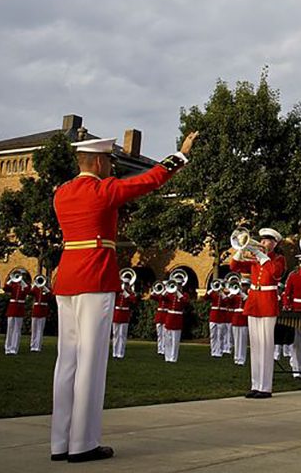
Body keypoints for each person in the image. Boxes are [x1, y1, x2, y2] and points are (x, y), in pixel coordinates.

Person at [48, 132, 196, 464]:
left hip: (67, 277)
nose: (112, 168)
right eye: (110, 162)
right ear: (99, 162)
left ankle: (59, 441)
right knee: (91, 360)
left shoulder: (61, 193)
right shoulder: (103, 190)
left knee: (67, 360)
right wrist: (181, 155)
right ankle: (83, 442)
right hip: (95, 276)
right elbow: (151, 179)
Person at [230, 227, 286, 398]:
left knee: (266, 345)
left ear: (274, 243)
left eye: (266, 240)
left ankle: (265, 387)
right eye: (261, 240)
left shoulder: (278, 259)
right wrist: (240, 249)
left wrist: (261, 256)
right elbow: (234, 266)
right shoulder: (255, 259)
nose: (262, 243)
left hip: (267, 301)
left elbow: (275, 274)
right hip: (254, 301)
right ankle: (255, 384)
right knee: (255, 345)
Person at [162, 282, 191, 363]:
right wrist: (166, 289)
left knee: (175, 340)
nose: (177, 286)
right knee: (168, 339)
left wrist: (178, 293)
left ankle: (173, 358)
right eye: (176, 285)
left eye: (179, 285)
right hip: (169, 317)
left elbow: (185, 302)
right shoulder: (170, 294)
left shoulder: (184, 295)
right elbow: (162, 298)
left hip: (177, 318)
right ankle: (167, 357)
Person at [4, 270, 31, 355]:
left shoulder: (25, 285)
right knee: (10, 329)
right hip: (12, 307)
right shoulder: (13, 284)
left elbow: (27, 290)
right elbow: (5, 287)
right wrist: (11, 279)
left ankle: (14, 348)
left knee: (17, 330)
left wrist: (22, 281)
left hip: (19, 308)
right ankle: (7, 348)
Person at [110, 277, 138, 360]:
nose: (125, 286)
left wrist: (128, 293)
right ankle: (115, 353)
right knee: (115, 334)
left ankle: (120, 353)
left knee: (122, 335)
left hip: (124, 315)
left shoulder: (130, 293)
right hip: (117, 314)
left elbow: (134, 300)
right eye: (124, 284)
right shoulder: (118, 292)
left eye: (127, 284)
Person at [203, 284, 227, 358]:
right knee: (213, 335)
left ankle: (219, 351)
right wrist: (211, 290)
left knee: (220, 335)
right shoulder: (213, 293)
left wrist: (222, 293)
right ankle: (213, 351)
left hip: (221, 317)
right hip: (213, 316)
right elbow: (205, 298)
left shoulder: (225, 294)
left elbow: (227, 301)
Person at [30, 277, 52, 353]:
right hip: (36, 310)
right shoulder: (36, 289)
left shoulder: (46, 289)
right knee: (34, 329)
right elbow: (31, 292)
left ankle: (37, 346)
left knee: (40, 329)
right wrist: (34, 284)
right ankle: (32, 346)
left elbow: (50, 296)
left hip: (43, 310)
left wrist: (45, 288)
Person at [230, 281, 250, 366]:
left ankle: (241, 359)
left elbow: (248, 301)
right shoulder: (236, 296)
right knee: (236, 340)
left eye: (245, 286)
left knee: (242, 340)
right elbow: (227, 302)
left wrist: (241, 293)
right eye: (242, 286)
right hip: (236, 319)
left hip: (243, 320)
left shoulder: (248, 296)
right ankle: (236, 358)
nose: (243, 287)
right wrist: (231, 294)